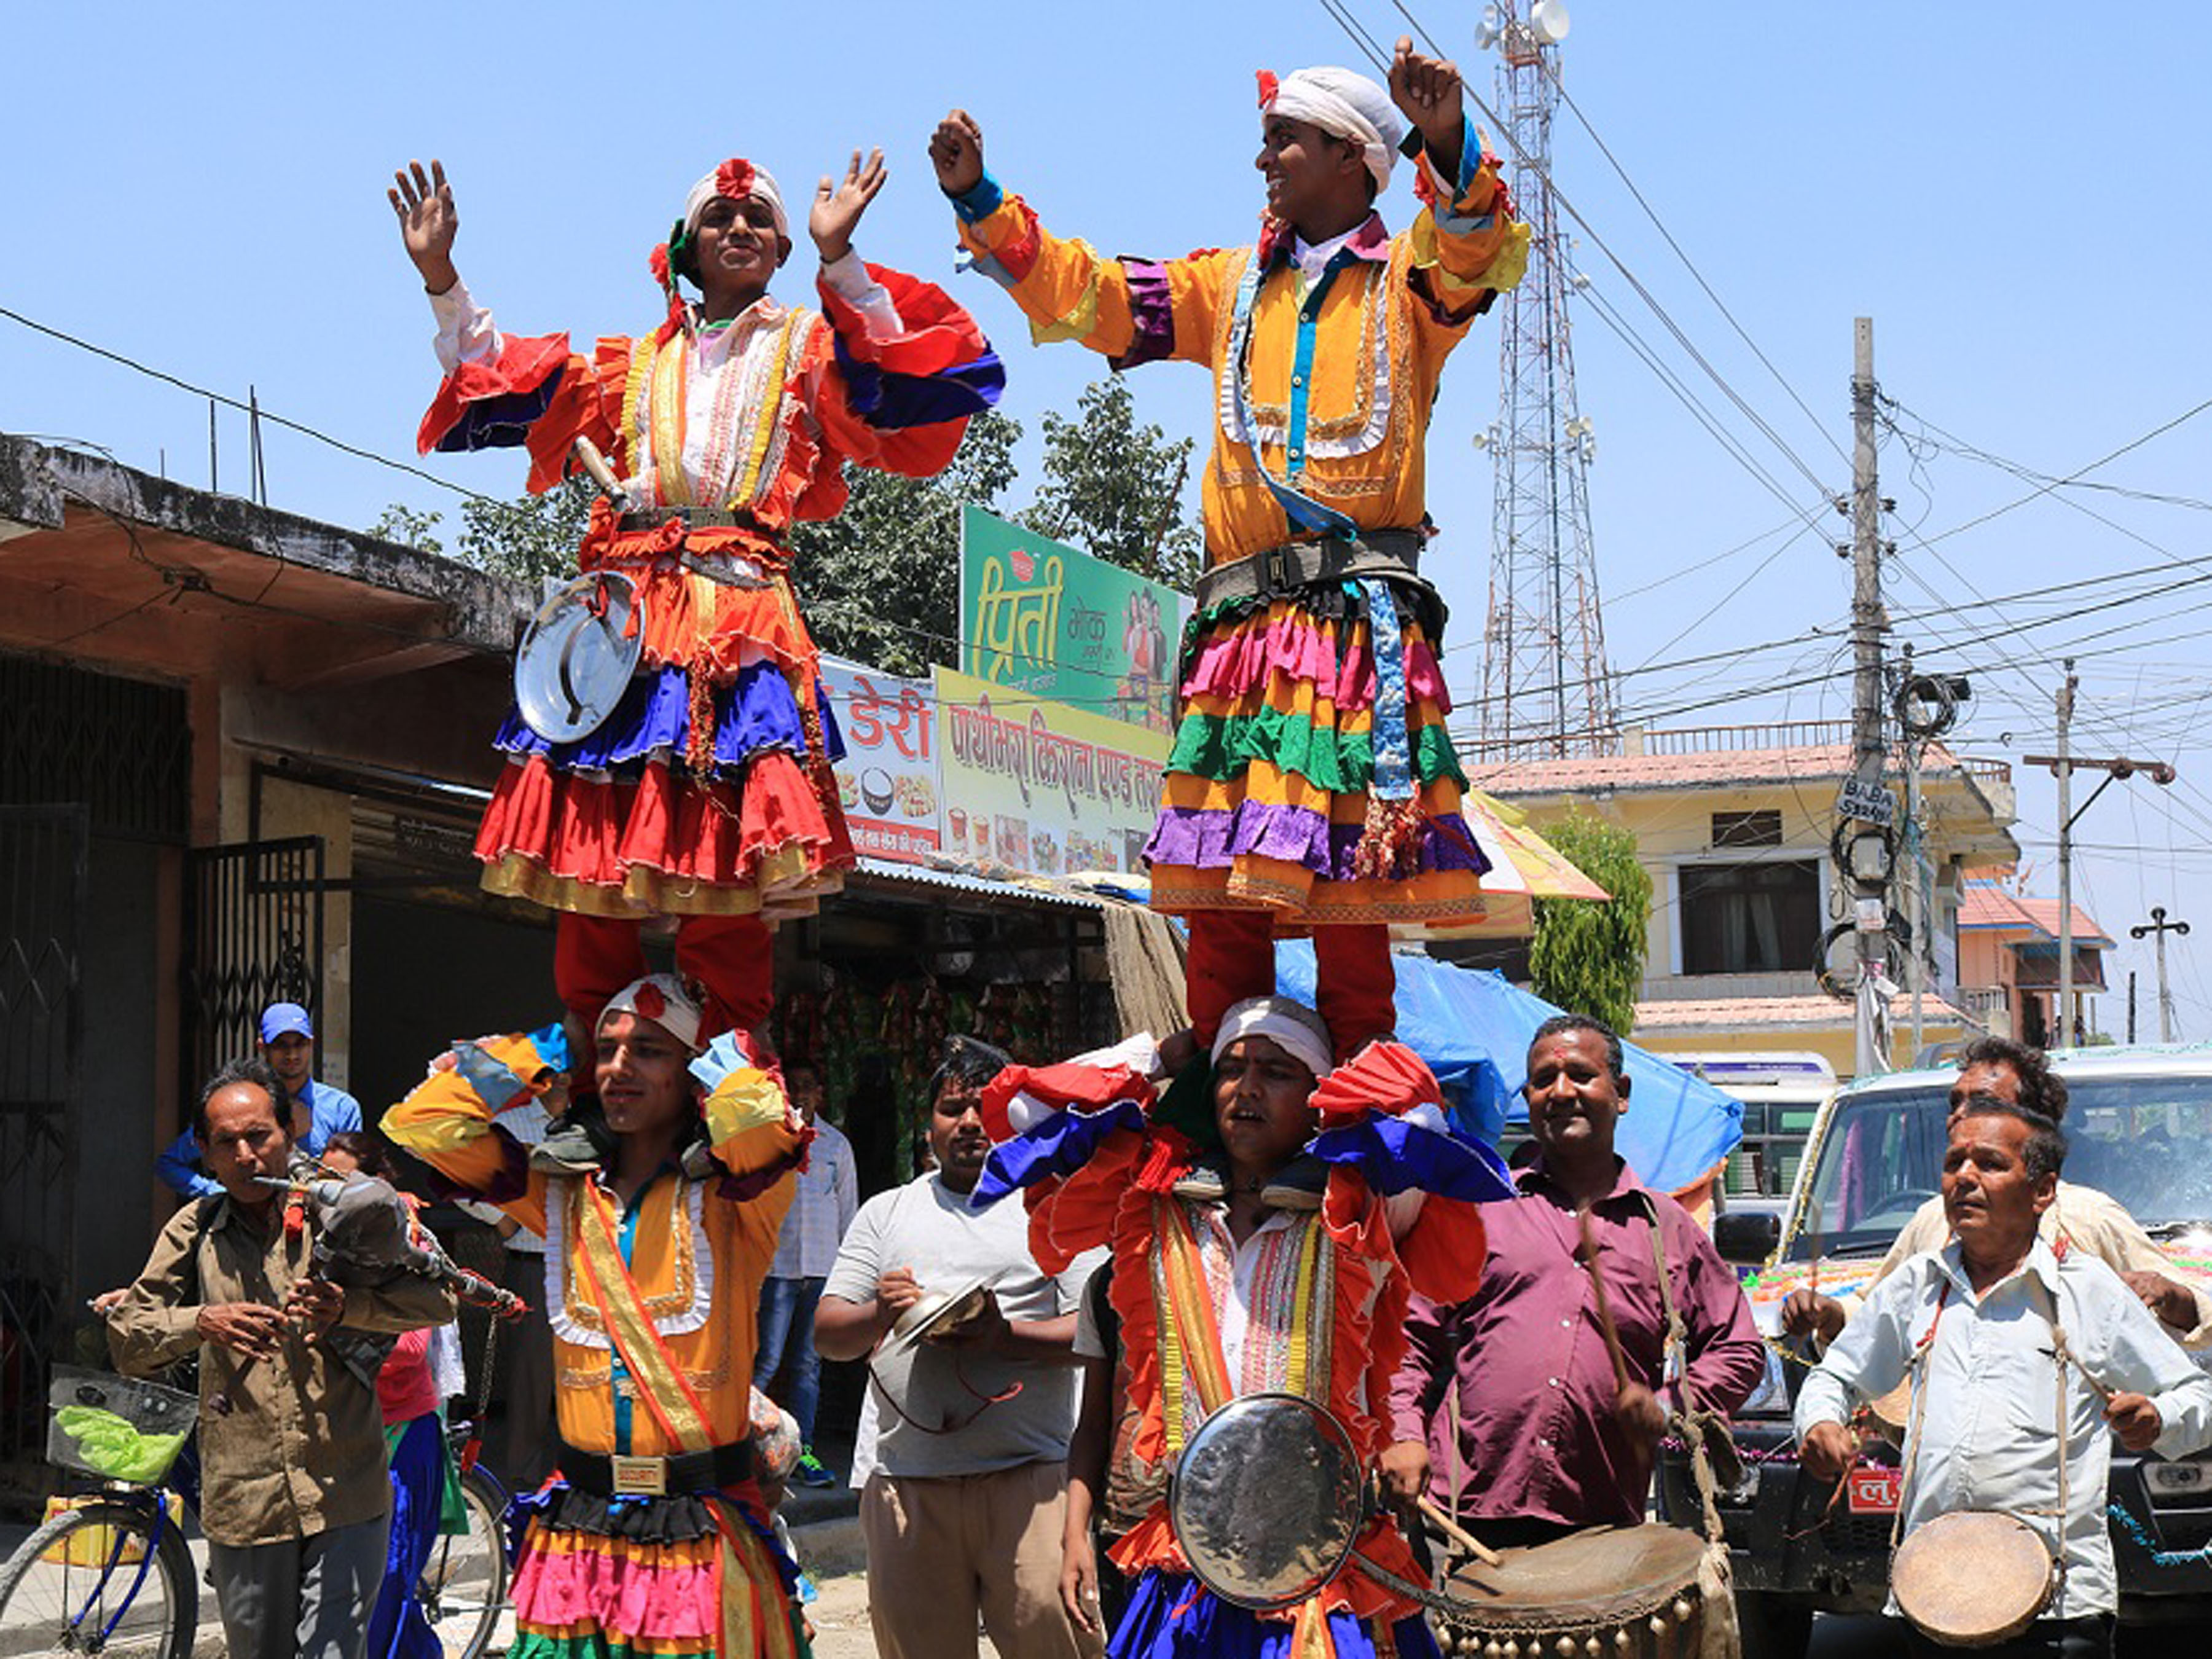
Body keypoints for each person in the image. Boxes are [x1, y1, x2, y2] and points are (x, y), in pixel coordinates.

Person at [931, 43, 1527, 1062]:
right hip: (1241, 634)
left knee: (1350, 900)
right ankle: (1221, 1099)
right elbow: (1094, 296)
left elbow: (1476, 245)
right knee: (1222, 897)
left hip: (1351, 630)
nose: (1264, 163)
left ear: (1350, 159)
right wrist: (981, 199)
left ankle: (1359, 1115)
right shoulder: (1229, 288)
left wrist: (1445, 137)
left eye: (1281, 142)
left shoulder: (1411, 284)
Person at [388, 149, 1001, 1052]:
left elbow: (909, 391)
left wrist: (844, 264)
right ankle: (593, 1087)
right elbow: (510, 381)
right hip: (631, 628)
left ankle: (728, 1083)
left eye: (758, 215)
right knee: (596, 847)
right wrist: (442, 277)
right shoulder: (630, 366)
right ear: (686, 243)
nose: (739, 227)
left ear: (785, 243)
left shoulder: (810, 348)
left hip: (743, 620)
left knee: (729, 863)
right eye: (719, 216)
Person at [973, 997, 1508, 1658]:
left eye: (1278, 1072)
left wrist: (1357, 1048)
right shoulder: (1156, 1209)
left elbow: (1414, 1111)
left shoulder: (1366, 1210)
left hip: (1325, 1573)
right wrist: (1175, 1054)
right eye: (1230, 1069)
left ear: (1321, 1092)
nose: (1247, 1088)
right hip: (1192, 1571)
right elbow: (1037, 1114)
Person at [383, 974, 811, 1658]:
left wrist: (714, 1046)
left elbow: (756, 1116)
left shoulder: (738, 1196)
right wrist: (553, 1047)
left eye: (649, 1050)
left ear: (692, 1068)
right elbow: (425, 1124)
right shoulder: (557, 1192)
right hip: (577, 1527)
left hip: (698, 1527)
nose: (619, 1068)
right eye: (608, 1051)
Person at [1796, 1097, 2212, 1657]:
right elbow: (1835, 1376)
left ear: (2042, 1191)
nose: (1964, 1178)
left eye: (1989, 1164)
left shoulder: (2087, 1291)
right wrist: (1820, 1422)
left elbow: (2196, 1394)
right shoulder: (1917, 1287)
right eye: (1953, 1163)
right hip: (1934, 1596)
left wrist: (2159, 1418)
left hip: (2060, 1608)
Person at [109, 1061, 455, 1659]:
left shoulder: (343, 1213)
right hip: (246, 1502)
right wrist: (201, 1322)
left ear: (289, 1135)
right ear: (204, 1154)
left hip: (345, 1490)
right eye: (227, 1143)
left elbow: (439, 1298)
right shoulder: (193, 1232)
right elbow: (129, 1339)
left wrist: (350, 1307)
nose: (246, 1156)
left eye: (260, 1136)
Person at [1381, 1014, 1766, 1542]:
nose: (1561, 1092)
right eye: (1543, 1081)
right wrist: (1404, 1435)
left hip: (1603, 1528)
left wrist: (1669, 1405)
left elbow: (1739, 1349)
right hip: (1460, 1519)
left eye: (1581, 1075)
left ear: (1621, 1093)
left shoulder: (1665, 1228)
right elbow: (1406, 1338)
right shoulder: (1480, 1207)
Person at [813, 1035, 1102, 1659]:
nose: (969, 1122)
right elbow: (830, 1334)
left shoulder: (1055, 1206)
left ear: (1015, 1119)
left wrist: (1005, 1337)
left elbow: (1103, 1332)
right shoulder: (884, 1214)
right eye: (951, 1109)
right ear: (930, 1127)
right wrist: (881, 1314)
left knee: (1055, 1640)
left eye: (985, 1107)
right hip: (908, 1486)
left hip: (1031, 1481)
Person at [1780, 1036, 2210, 1349]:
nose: (1959, 1116)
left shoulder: (2087, 1217)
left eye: (1982, 1103)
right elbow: (1878, 1314)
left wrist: (2172, 1297)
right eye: (1955, 1102)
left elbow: (2191, 1312)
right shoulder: (1934, 1219)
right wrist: (1830, 1315)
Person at [320, 1132, 466, 1659]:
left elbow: (406, 1350)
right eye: (323, 1184)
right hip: (342, 1436)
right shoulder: (315, 1242)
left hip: (401, 1434)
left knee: (386, 1582)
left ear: (378, 1184)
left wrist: (338, 1323)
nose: (330, 1196)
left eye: (343, 1184)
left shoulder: (409, 1242)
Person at [442, 1021, 570, 1495]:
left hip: (586, 1266)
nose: (559, 1081)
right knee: (533, 1380)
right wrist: (501, 1217)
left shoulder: (591, 1124)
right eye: (551, 1072)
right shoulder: (512, 1123)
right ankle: (527, 1480)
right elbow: (459, 1170)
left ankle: (575, 1476)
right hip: (533, 1263)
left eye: (566, 1072)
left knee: (585, 1379)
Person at [753, 1058, 857, 1488]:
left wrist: (850, 1276)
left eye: (808, 1086)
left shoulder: (836, 1145)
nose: (800, 1094)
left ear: (820, 1094)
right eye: (793, 1086)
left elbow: (848, 1211)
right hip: (777, 1270)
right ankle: (748, 1450)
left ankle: (802, 1454)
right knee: (766, 1362)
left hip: (822, 1271)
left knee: (807, 1368)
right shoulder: (768, 1141)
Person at [157, 1001, 363, 1199]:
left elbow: (351, 1178)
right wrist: (219, 1194)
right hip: (249, 1222)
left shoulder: (341, 1108)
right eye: (281, 1045)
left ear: (312, 1044)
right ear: (262, 1047)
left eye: (300, 1044)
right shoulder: (240, 1106)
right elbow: (169, 1163)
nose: (292, 1054)